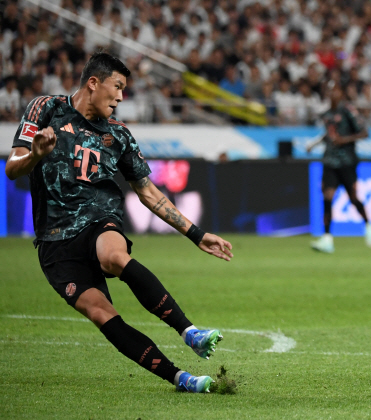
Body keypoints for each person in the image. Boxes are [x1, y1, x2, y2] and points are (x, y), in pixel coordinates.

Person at [5, 52, 233, 393]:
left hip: (99, 217)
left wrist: (196, 234)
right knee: (101, 313)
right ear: (93, 83)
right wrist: (36, 154)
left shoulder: (119, 135)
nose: (121, 97)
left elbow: (148, 192)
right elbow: (12, 168)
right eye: (118, 86)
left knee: (113, 256)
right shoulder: (45, 108)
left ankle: (190, 333)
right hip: (54, 240)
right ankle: (180, 378)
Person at [306, 82, 371, 253]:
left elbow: (365, 132)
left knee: (353, 198)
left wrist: (343, 140)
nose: (333, 93)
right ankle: (327, 239)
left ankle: (368, 225)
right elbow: (329, 134)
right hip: (330, 161)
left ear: (341, 93)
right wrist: (314, 144)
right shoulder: (328, 114)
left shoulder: (348, 110)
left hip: (347, 161)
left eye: (336, 90)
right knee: (328, 196)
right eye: (330, 90)